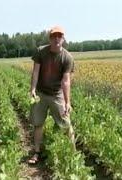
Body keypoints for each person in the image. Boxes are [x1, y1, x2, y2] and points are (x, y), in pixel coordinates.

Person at [28, 25, 75, 164]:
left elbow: (66, 81)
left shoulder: (67, 58)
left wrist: (67, 102)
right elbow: (35, 72)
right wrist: (32, 89)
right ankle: (36, 153)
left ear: (63, 39)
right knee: (38, 124)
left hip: (57, 94)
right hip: (41, 93)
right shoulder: (41, 52)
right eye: (54, 36)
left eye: (59, 36)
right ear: (50, 38)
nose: (57, 39)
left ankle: (73, 155)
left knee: (66, 124)